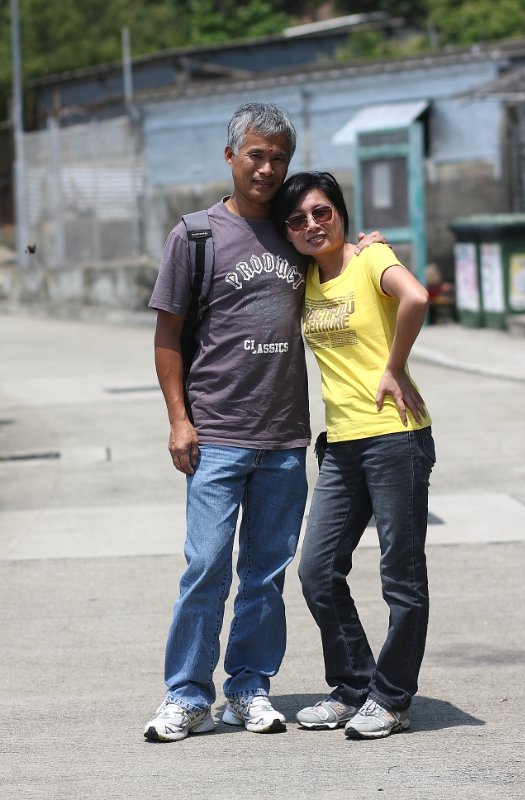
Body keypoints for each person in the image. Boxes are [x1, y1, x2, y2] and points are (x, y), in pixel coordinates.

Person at [144, 104, 383, 743]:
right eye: (256, 154)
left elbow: (340, 262)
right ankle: (186, 695)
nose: (267, 168)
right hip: (217, 434)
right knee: (205, 567)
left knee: (265, 575)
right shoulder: (195, 236)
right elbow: (167, 337)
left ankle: (248, 688)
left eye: (279, 157)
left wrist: (366, 246)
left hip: (283, 438)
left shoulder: (294, 229)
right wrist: (179, 420)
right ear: (231, 156)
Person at [271, 171, 436, 739]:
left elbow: (416, 297)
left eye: (322, 212)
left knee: (401, 578)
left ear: (341, 212)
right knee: (317, 570)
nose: (312, 225)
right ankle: (353, 686)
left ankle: (391, 698)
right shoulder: (303, 278)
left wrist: (394, 367)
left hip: (396, 436)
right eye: (298, 219)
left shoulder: (371, 258)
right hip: (341, 443)